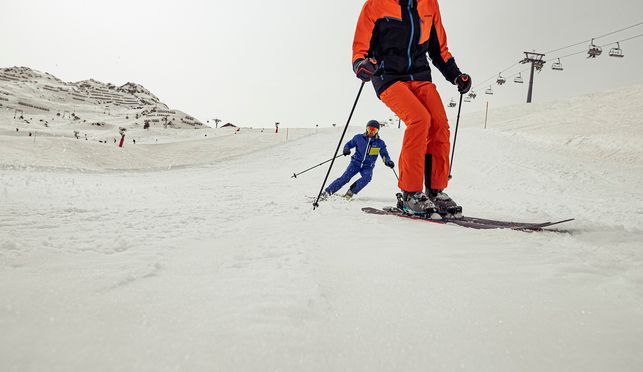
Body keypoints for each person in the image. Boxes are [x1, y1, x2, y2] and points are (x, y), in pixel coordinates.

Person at [352, 0, 472, 215]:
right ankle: (410, 194)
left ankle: (435, 191)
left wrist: (455, 75)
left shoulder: (429, 4)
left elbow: (438, 48)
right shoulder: (376, 4)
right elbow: (360, 46)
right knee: (419, 119)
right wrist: (361, 64)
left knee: (439, 124)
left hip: (420, 76)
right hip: (388, 77)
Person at [323, 120, 394, 199]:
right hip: (355, 163)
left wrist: (388, 161)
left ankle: (350, 192)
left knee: (367, 178)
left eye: (374, 130)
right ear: (366, 129)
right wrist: (346, 149)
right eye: (370, 129)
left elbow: (384, 155)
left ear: (377, 131)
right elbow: (349, 144)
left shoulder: (380, 143)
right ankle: (327, 192)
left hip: (368, 166)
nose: (371, 132)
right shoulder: (358, 137)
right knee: (345, 178)